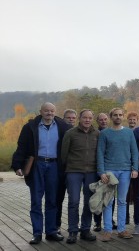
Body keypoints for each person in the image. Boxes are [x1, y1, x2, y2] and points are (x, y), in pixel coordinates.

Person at [11, 102, 71, 245]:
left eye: (52, 111)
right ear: (41, 111)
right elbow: (21, 147)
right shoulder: (30, 127)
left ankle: (51, 231)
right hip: (37, 165)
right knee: (36, 200)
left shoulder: (63, 127)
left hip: (54, 166)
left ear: (55, 112)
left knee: (52, 200)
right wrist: (17, 165)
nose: (49, 113)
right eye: (46, 111)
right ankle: (37, 233)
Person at [96, 108, 139, 242]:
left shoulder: (129, 133)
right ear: (111, 117)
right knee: (108, 201)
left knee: (122, 201)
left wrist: (135, 168)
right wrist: (101, 172)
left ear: (123, 117)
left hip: (125, 171)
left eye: (120, 115)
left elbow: (135, 152)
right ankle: (108, 230)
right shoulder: (105, 133)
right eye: (115, 115)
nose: (118, 117)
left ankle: (121, 229)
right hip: (109, 171)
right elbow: (100, 153)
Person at [61, 109, 98, 244]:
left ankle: (85, 230)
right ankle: (72, 231)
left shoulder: (97, 134)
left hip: (92, 173)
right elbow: (63, 155)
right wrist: (68, 169)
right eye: (84, 118)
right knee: (74, 201)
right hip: (74, 172)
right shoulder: (70, 133)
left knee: (89, 202)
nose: (87, 120)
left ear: (92, 119)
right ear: (79, 119)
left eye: (89, 118)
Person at [56, 109, 78, 234]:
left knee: (74, 200)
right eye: (68, 117)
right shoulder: (58, 132)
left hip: (74, 171)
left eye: (73, 118)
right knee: (58, 199)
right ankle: (56, 225)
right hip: (59, 171)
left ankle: (74, 225)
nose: (71, 119)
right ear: (63, 118)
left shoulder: (79, 133)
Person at [93, 112, 109, 232]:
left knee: (109, 195)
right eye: (101, 120)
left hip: (109, 168)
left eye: (105, 119)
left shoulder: (111, 132)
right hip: (96, 168)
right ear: (97, 121)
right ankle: (97, 222)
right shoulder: (95, 133)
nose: (103, 121)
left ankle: (109, 220)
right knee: (98, 196)